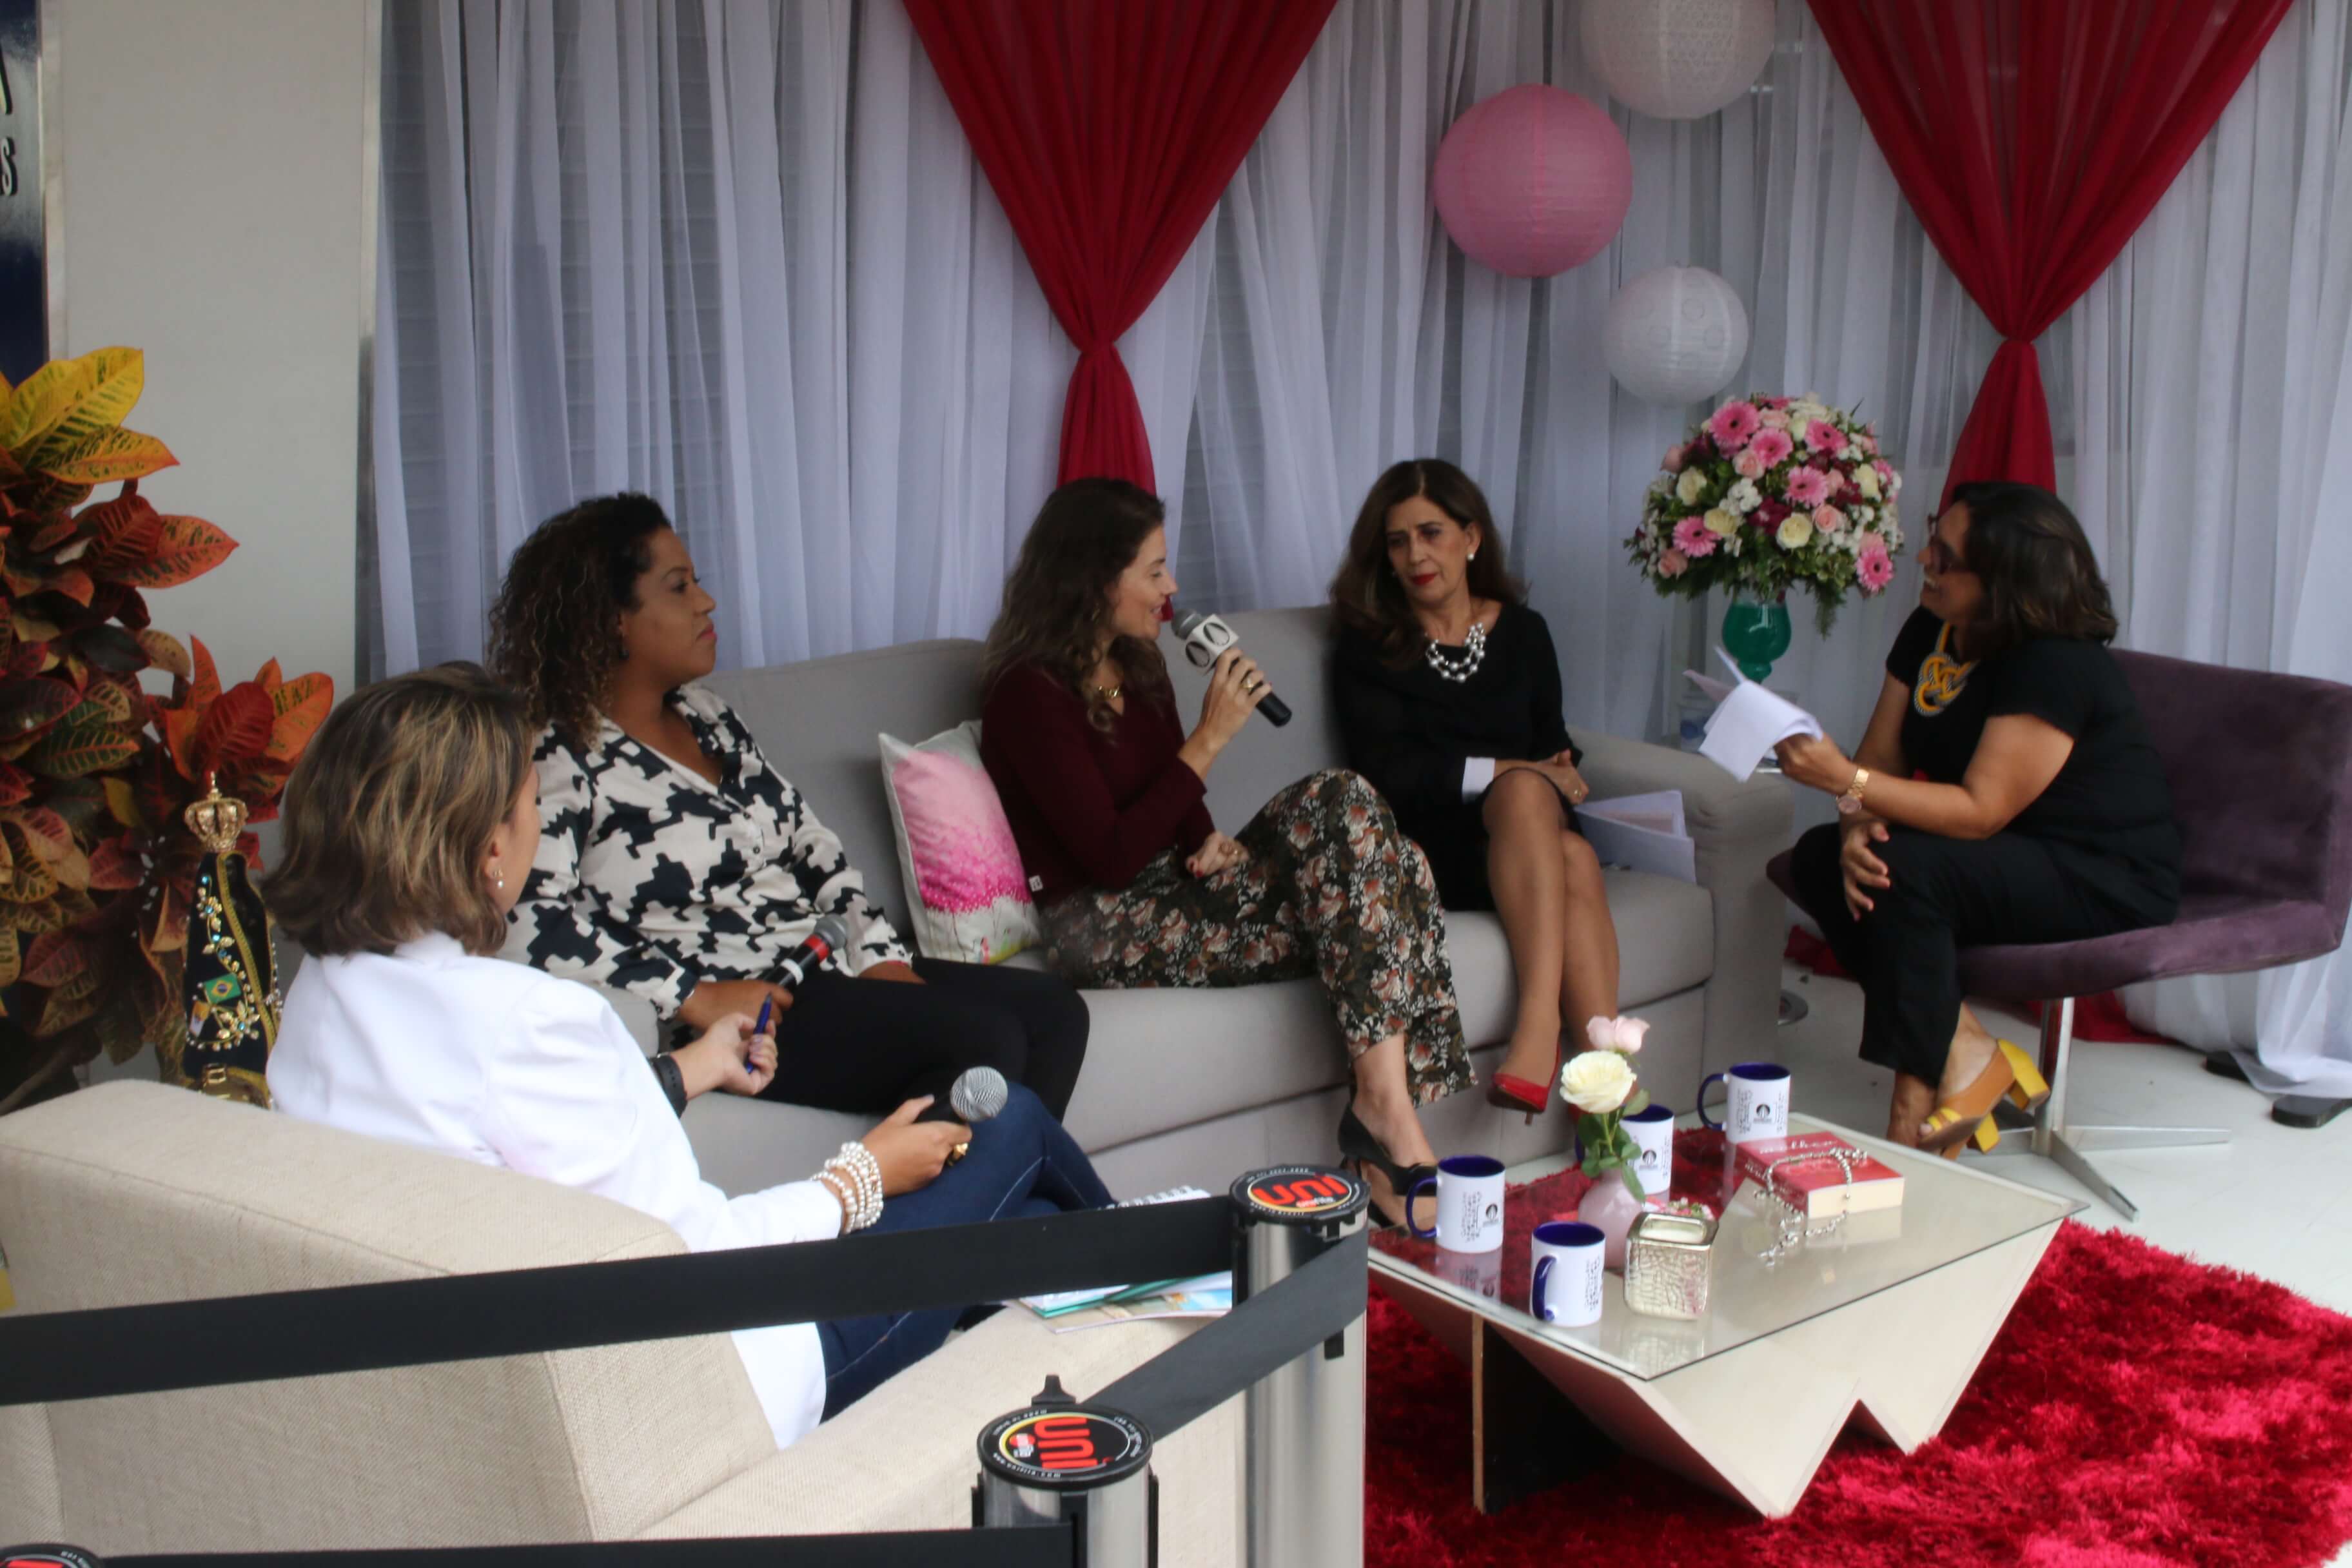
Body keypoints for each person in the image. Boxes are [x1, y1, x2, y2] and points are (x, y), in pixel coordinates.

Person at [264, 665, 1113, 1448]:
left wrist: (694, 1067)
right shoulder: (533, 1019)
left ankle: (1108, 1335)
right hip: (740, 1378)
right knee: (1015, 1123)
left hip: (514, 1380)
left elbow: (508, 1130)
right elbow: (697, 1261)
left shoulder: (320, 998)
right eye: (530, 807)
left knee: (1026, 1218)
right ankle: (1169, 1305)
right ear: (491, 850)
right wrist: (859, 1177)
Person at [487, 494, 1089, 1124]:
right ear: (612, 620)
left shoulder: (709, 717)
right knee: (983, 1040)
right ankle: (973, 1184)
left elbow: (812, 845)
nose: (706, 601)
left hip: (822, 965)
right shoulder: (559, 756)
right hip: (752, 1010)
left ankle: (1003, 1182)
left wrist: (880, 954)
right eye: (679, 586)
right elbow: (528, 919)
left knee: (1055, 1012)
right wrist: (693, 995)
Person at [977, 478, 1470, 1228]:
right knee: (1384, 872)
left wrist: (1208, 840)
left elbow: (1177, 805)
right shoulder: (1027, 692)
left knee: (1371, 829)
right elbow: (1109, 856)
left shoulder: (1138, 665)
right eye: (1154, 569)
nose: (1171, 587)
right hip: (1101, 921)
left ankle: (1383, 1118)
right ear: (1095, 577)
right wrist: (1209, 737)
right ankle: (1388, 1135)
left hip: (1178, 887)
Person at [1777, 482, 2180, 1154]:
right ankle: (1964, 1048)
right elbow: (1880, 761)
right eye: (1933, 538)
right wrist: (1853, 824)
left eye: (1947, 556)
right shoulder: (1930, 628)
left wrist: (1844, 781)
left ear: (2004, 582)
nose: (1925, 560)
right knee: (1826, 857)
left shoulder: (2056, 661)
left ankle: (1911, 1112)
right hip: (2009, 848)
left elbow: (1979, 811)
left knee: (1902, 873)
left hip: (2101, 870)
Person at [1329, 459, 1621, 1120]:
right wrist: (1513, 770)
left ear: (1471, 537)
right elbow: (1386, 775)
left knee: (1554, 830)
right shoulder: (1367, 646)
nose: (1415, 555)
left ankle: (1599, 1093)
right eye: (1398, 541)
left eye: (1431, 533)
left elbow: (1552, 743)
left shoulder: (1525, 633)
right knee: (1549, 825)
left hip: (1526, 841)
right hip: (1434, 849)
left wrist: (1554, 765)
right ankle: (1570, 1058)